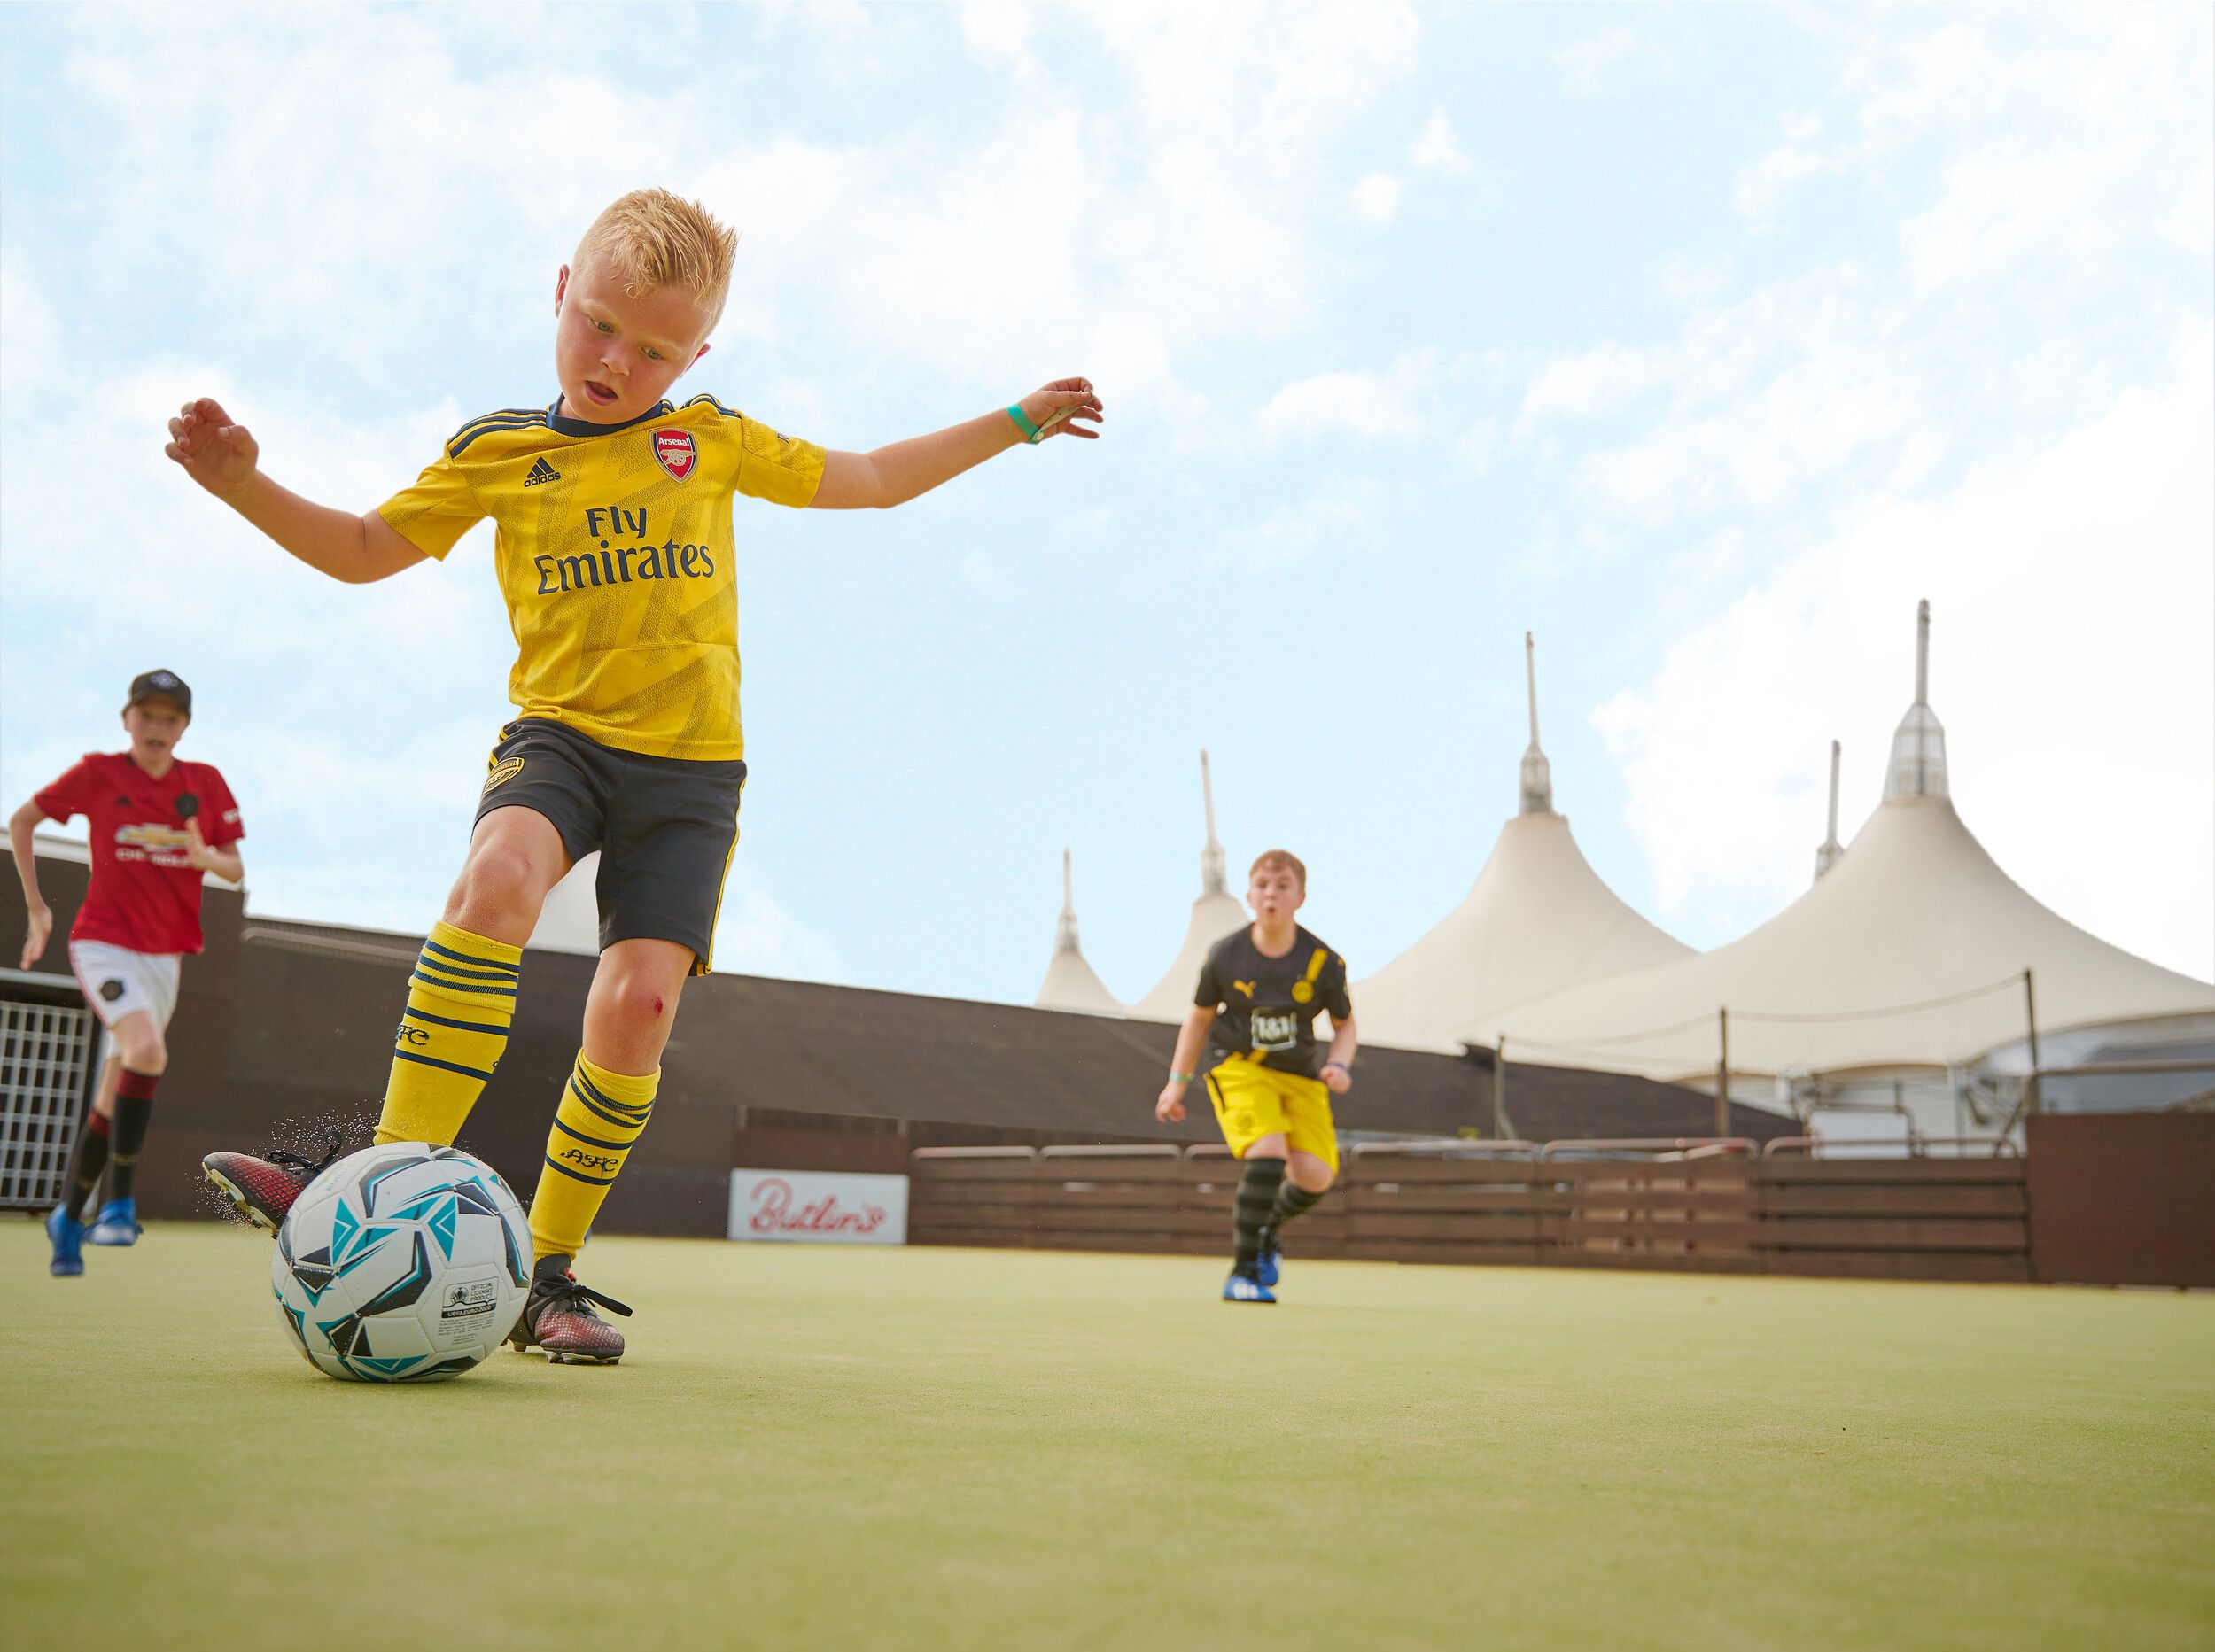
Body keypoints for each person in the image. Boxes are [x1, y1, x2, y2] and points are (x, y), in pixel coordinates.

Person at [165, 187, 1102, 1364]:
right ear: (562, 291)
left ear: (697, 353)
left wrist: (1014, 419)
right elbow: (361, 551)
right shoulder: (499, 453)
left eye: (655, 349)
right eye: (600, 324)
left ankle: (545, 1273)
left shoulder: (707, 439)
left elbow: (866, 475)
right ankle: (363, 1185)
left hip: (691, 775)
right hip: (559, 738)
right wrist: (241, 482)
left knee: (638, 1005)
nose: (619, 360)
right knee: (498, 877)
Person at [10, 670, 245, 1276]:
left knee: (117, 1090)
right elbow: (23, 820)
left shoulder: (205, 783)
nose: (157, 727)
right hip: (103, 944)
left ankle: (67, 1214)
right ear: (126, 719)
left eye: (170, 717)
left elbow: (234, 870)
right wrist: (37, 907)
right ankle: (118, 1203)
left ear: (184, 727)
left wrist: (205, 857)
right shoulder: (99, 773)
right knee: (147, 1049)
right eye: (147, 714)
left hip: (164, 956)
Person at [1155, 849, 1357, 1303]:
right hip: (1241, 1067)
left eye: (1282, 886)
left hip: (1302, 1076)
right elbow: (1199, 1018)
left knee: (1315, 1176)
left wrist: (1339, 1065)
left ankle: (1267, 1227)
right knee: (1267, 1152)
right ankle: (1242, 1272)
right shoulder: (1225, 956)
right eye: (1263, 885)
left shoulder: (1324, 962)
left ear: (1300, 897)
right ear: (1249, 895)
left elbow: (1346, 1026)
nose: (1272, 894)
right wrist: (1176, 1081)